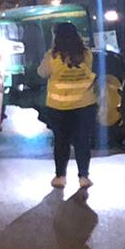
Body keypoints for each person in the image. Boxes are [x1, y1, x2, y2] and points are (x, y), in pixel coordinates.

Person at [39, 22, 98, 189]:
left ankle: (60, 176)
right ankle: (83, 177)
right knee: (82, 142)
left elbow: (42, 72)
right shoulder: (87, 55)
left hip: (59, 107)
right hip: (84, 105)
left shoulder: (52, 56)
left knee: (61, 142)